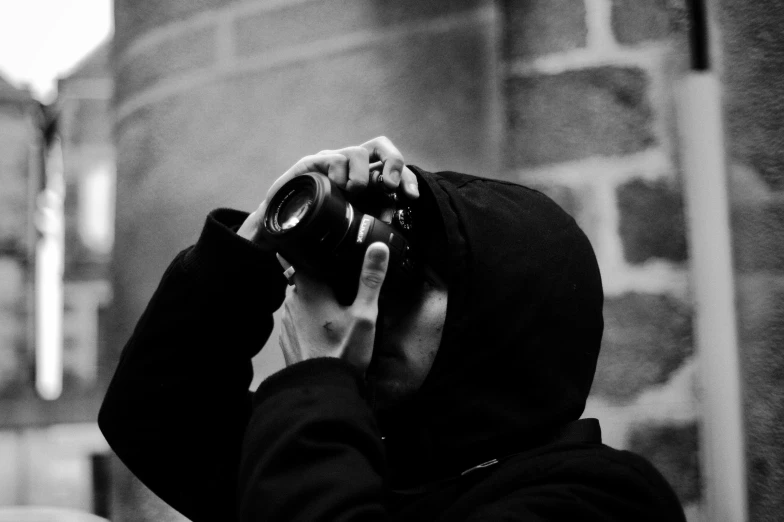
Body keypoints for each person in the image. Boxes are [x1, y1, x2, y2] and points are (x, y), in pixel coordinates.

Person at [98, 137, 686, 521]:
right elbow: (153, 414)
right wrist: (254, 245)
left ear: (498, 321)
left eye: (405, 281)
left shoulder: (605, 502)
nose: (370, 310)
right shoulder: (370, 457)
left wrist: (315, 383)